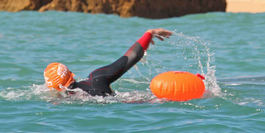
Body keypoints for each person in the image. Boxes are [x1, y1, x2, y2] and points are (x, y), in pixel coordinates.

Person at [44, 28, 173, 96]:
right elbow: (130, 57)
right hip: (138, 102)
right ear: (71, 74)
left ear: (53, 89)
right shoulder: (97, 77)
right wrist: (150, 33)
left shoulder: (65, 100)